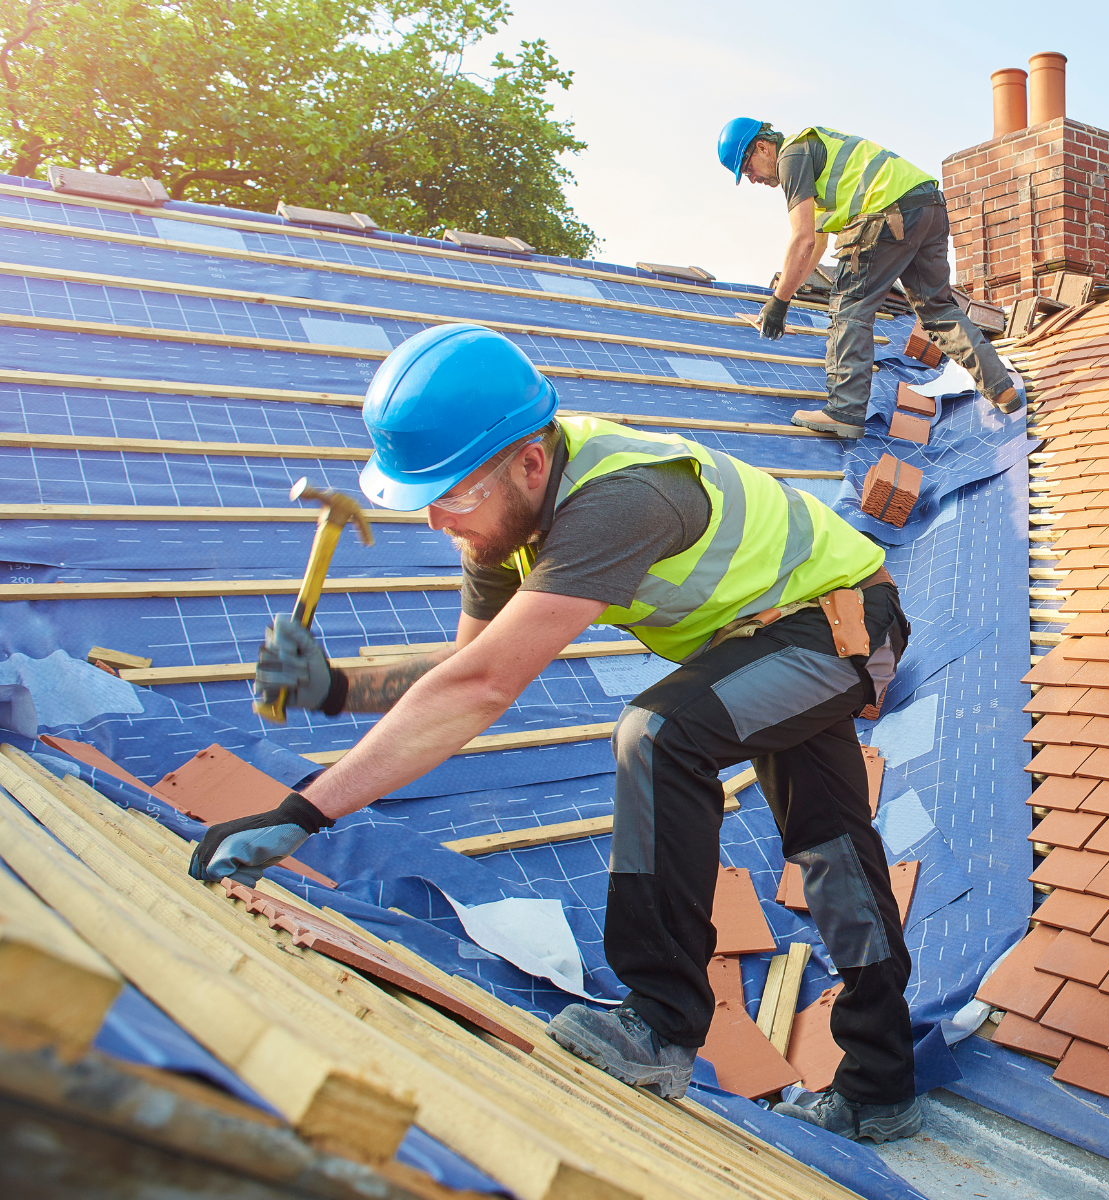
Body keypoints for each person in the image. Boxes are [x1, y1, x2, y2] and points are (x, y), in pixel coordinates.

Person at [189, 323, 924, 1142]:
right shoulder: (499, 520)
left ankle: (660, 1024)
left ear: (530, 463)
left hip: (841, 622)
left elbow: (479, 691)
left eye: (453, 494)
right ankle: (880, 1085)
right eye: (423, 497)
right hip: (766, 636)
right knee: (831, 848)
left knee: (658, 735)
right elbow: (466, 671)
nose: (437, 520)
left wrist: (302, 813)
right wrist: (336, 689)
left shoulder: (619, 500)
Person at [716, 117, 1019, 437]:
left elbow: (801, 237)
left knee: (850, 306)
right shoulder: (818, 162)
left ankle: (844, 411)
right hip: (927, 205)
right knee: (938, 310)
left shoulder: (792, 157)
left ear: (763, 147)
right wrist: (783, 300)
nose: (752, 179)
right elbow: (815, 245)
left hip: (886, 212)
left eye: (748, 168)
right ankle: (1002, 388)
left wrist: (777, 303)